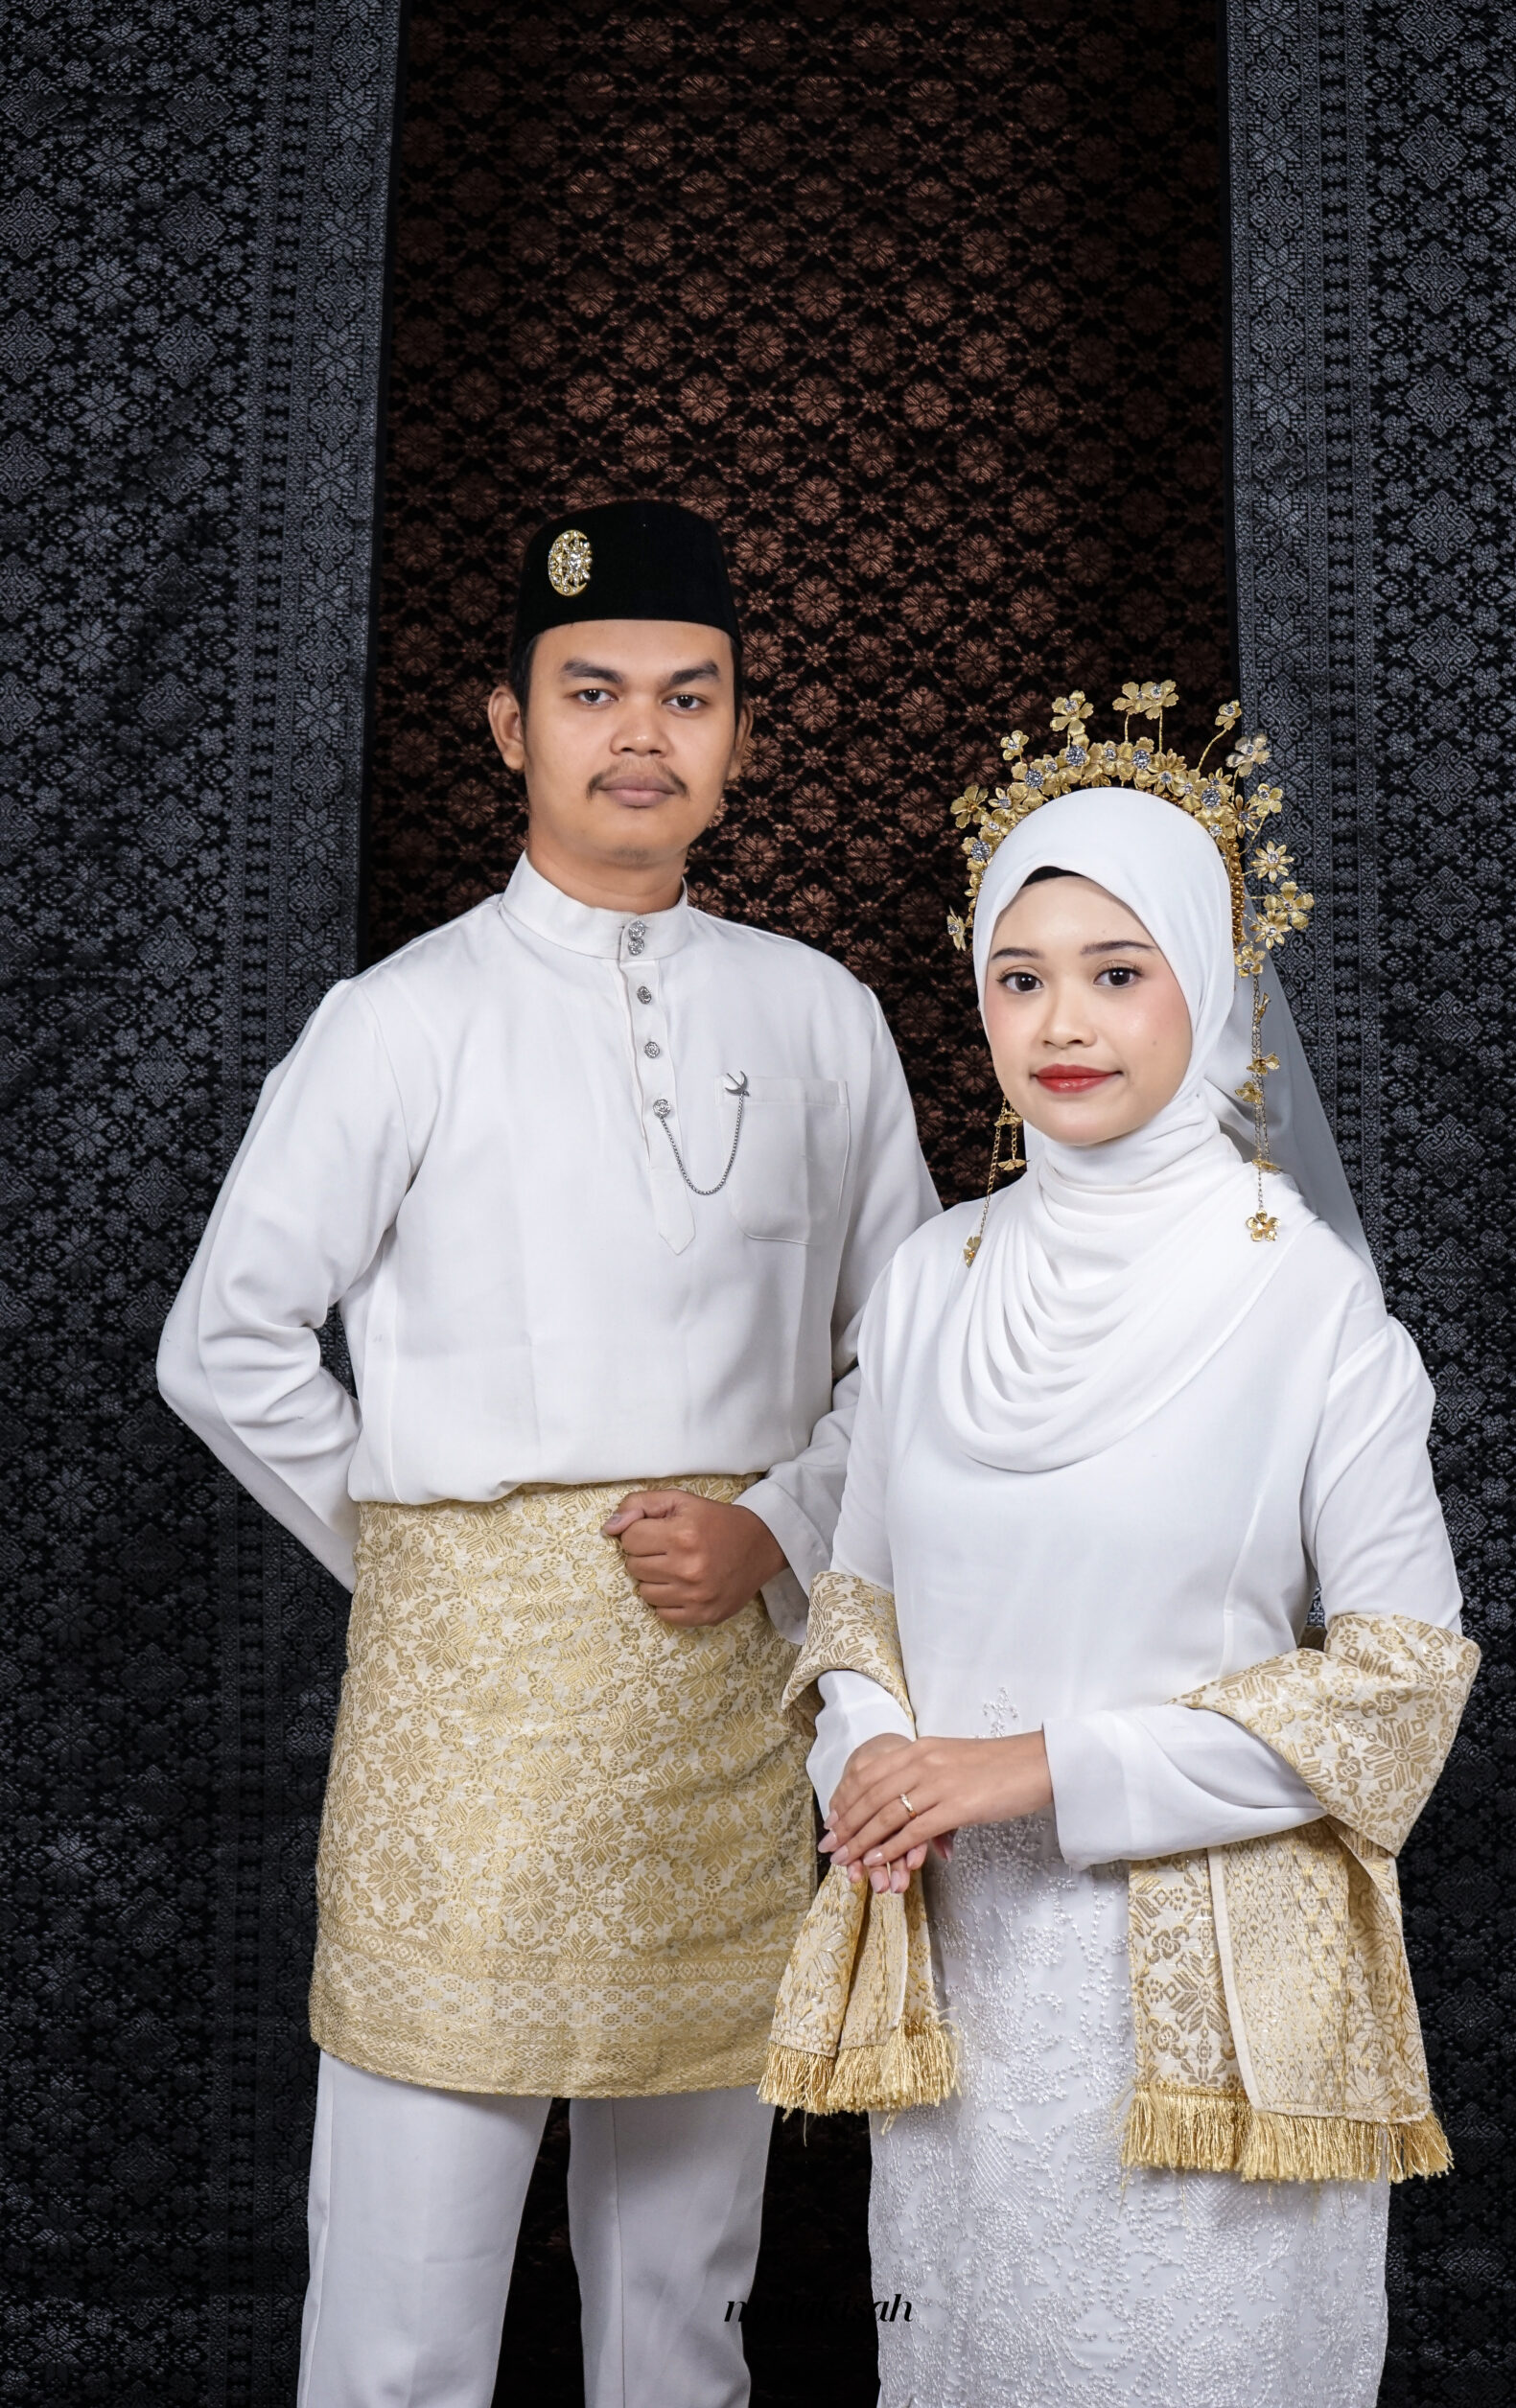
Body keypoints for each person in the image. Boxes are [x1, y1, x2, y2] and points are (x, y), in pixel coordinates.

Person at [156, 499, 938, 2408]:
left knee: (683, 2291)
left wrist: (776, 1526)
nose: (640, 734)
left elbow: (911, 1356)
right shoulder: (399, 1021)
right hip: (467, 1739)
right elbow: (224, 1343)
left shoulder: (819, 1016)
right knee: (406, 2312)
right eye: (592, 693)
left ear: (738, 733)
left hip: (720, 1706)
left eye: (688, 694)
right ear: (511, 725)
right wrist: (429, 1563)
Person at [779, 692, 1478, 2406]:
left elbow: (1398, 1691)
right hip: (963, 1997)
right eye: (1019, 978)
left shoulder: (1304, 1301)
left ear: (1212, 986)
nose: (1062, 1022)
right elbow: (855, 1602)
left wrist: (1026, 1767)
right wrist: (873, 1760)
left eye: (1116, 970)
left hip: (1215, 2012)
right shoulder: (930, 1282)